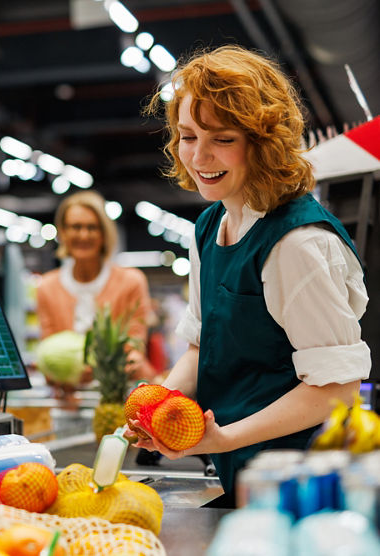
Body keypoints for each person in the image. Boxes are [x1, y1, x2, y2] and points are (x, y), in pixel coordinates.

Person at [131, 45, 371, 507]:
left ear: (262, 142)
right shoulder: (207, 227)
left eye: (222, 138)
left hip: (305, 485)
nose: (199, 156)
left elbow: (336, 390)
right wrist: (157, 404)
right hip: (242, 475)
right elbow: (203, 345)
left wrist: (224, 438)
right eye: (187, 135)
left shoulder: (296, 243)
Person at [36, 190, 159, 395]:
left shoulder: (131, 281)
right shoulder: (47, 287)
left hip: (124, 395)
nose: (84, 235)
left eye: (92, 227)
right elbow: (48, 347)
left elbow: (135, 344)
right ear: (63, 233)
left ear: (104, 234)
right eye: (76, 227)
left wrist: (123, 364)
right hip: (71, 397)